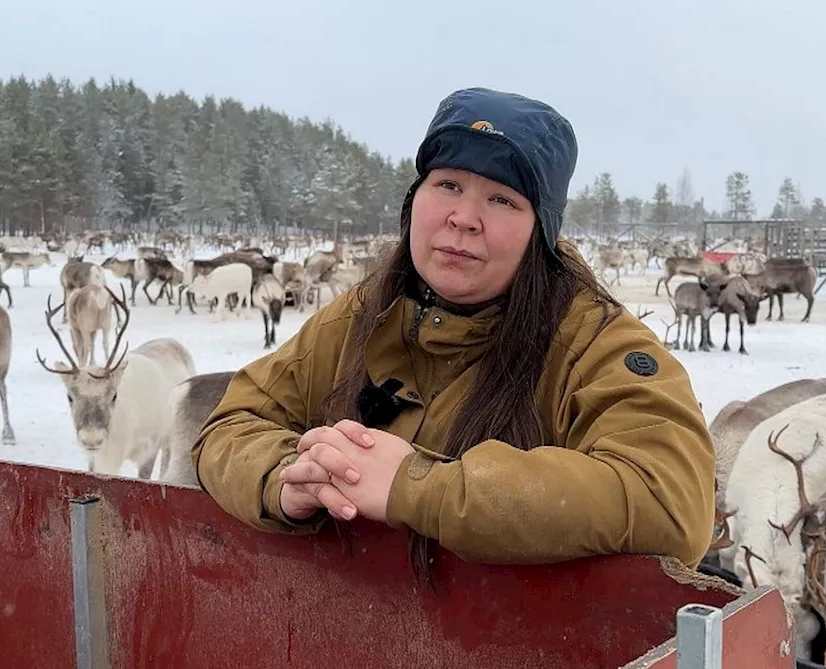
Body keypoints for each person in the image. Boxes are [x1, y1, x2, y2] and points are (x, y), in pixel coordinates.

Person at [193, 87, 715, 578]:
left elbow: (671, 502)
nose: (464, 218)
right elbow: (230, 423)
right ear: (414, 199)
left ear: (542, 232)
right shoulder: (361, 316)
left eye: (503, 200)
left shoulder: (593, 344)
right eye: (448, 185)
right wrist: (288, 477)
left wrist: (415, 485)